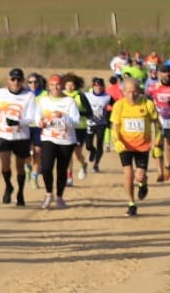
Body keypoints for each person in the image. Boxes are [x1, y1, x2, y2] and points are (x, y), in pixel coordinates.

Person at [0, 67, 38, 206]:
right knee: (5, 164)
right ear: (8, 80)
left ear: (23, 81)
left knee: (20, 167)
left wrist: (18, 122)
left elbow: (32, 117)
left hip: (21, 135)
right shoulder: (0, 93)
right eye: (13, 79)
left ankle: (20, 193)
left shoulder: (29, 96)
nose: (16, 82)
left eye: (19, 80)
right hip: (3, 134)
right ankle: (8, 186)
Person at [112, 75, 161, 216]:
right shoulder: (119, 105)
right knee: (128, 174)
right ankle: (131, 203)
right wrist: (116, 141)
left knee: (139, 176)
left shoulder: (147, 104)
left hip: (142, 146)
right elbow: (114, 126)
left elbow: (157, 124)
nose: (131, 95)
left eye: (134, 91)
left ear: (139, 91)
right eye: (128, 91)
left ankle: (143, 183)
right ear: (123, 92)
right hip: (125, 146)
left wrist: (157, 144)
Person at [35, 75, 81, 209]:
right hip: (48, 138)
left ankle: (60, 197)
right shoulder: (44, 101)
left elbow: (76, 122)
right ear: (48, 86)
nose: (55, 88)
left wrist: (63, 117)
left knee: (62, 169)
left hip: (66, 140)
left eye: (58, 85)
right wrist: (40, 122)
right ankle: (49, 193)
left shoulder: (69, 101)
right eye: (52, 85)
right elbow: (37, 116)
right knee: (47, 167)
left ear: (63, 86)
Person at [149, 65, 170, 182]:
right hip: (158, 119)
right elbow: (147, 99)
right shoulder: (154, 87)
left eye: (169, 72)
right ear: (160, 74)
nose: (167, 74)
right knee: (158, 145)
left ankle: (168, 166)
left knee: (169, 145)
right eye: (164, 72)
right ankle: (160, 172)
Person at [62, 74, 91, 182]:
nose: (69, 87)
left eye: (72, 85)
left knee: (77, 153)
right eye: (67, 85)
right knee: (68, 153)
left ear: (76, 86)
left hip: (80, 127)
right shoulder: (61, 96)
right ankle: (69, 177)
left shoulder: (81, 96)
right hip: (66, 127)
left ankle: (83, 164)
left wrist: (77, 113)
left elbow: (89, 112)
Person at [83, 77, 114, 173]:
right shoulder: (86, 95)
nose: (98, 88)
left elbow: (116, 106)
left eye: (100, 86)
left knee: (100, 143)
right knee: (88, 145)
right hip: (89, 123)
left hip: (102, 123)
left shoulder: (107, 97)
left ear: (103, 86)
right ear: (93, 86)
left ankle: (96, 164)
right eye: (96, 86)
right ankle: (92, 151)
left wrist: (110, 118)